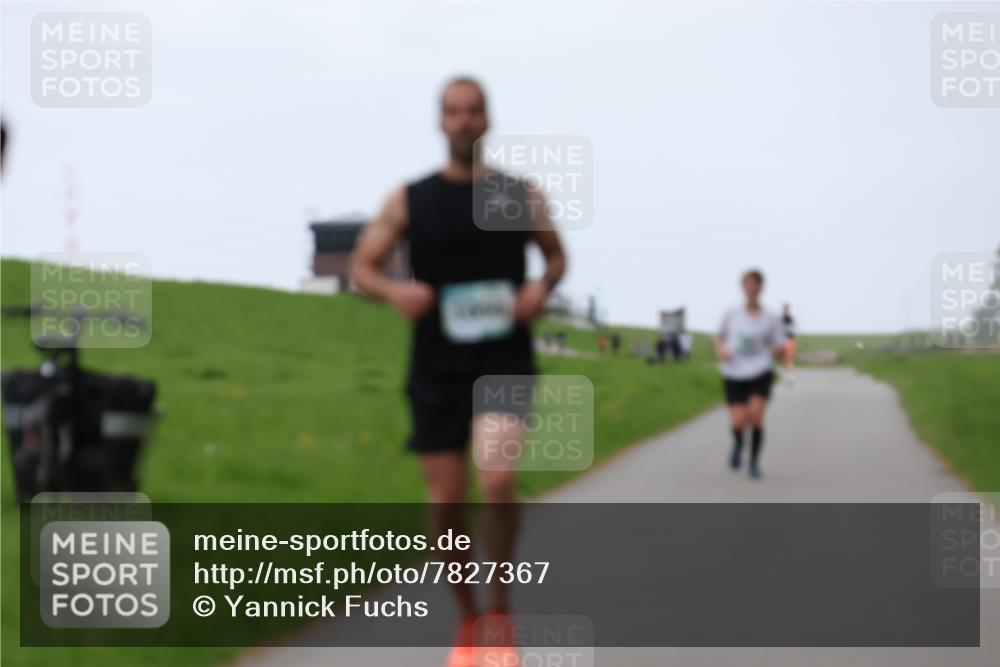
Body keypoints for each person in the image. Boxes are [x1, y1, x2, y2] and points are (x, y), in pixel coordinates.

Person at [351, 76, 566, 667]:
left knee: (495, 479)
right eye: (453, 111)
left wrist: (540, 288)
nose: (464, 120)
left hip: (503, 357)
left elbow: (555, 256)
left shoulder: (517, 194)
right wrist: (394, 291)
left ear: (487, 120)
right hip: (436, 365)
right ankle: (469, 620)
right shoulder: (409, 199)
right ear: (440, 122)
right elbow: (363, 267)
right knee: (447, 504)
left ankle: (500, 611)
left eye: (473, 111)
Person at [713, 269, 787, 479]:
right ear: (742, 287)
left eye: (755, 284)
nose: (751, 288)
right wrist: (722, 350)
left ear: (761, 287)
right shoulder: (731, 313)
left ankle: (754, 463)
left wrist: (778, 350)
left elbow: (780, 343)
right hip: (734, 371)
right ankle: (738, 443)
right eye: (748, 283)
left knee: (755, 417)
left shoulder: (770, 317)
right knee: (738, 421)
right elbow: (718, 338)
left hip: (760, 370)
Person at [781, 303, 797, 383]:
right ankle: (787, 376)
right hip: (784, 340)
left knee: (789, 359)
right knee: (785, 360)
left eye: (786, 309)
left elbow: (791, 330)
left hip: (789, 340)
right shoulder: (782, 318)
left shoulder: (790, 319)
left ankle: (791, 377)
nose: (785, 310)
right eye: (784, 309)